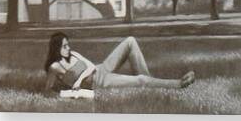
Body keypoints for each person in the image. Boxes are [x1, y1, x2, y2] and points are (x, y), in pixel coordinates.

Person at [44, 32, 195, 92]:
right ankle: (179, 84)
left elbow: (90, 66)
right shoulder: (55, 67)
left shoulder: (73, 54)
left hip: (101, 68)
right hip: (99, 82)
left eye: (68, 44)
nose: (68, 48)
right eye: (64, 46)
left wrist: (78, 81)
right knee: (141, 79)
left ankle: (150, 83)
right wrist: (68, 89)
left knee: (130, 41)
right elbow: (48, 90)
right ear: (56, 48)